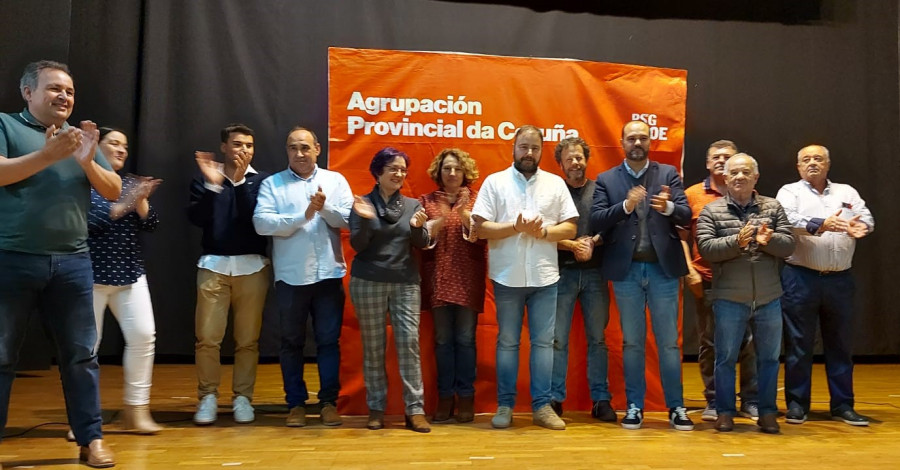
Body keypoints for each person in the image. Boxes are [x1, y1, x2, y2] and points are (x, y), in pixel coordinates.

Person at [0, 60, 121, 467]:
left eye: (69, 91)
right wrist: (49, 155)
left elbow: (115, 189)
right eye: (54, 89)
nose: (64, 97)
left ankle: (92, 440)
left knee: (82, 356)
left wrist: (87, 159)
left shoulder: (78, 139)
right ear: (28, 92)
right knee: (0, 356)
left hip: (72, 263)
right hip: (11, 259)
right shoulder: (5, 125)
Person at [471, 125, 578, 431]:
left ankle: (542, 407)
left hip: (545, 278)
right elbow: (480, 228)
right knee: (507, 343)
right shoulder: (495, 182)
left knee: (544, 344)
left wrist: (543, 232)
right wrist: (515, 228)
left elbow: (570, 228)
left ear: (541, 151)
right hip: (507, 278)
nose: (528, 153)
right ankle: (505, 405)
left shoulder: (555, 184)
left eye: (534, 148)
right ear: (513, 148)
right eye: (523, 147)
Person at [589, 120, 693, 431]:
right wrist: (625, 205)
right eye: (631, 138)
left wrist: (669, 207)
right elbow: (596, 221)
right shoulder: (607, 179)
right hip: (626, 271)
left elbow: (687, 215)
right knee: (632, 343)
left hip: (663, 270)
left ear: (650, 142)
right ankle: (635, 406)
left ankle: (676, 407)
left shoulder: (667, 174)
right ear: (622, 142)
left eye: (643, 138)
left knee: (669, 344)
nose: (637, 142)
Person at [253, 127, 352, 427]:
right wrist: (303, 216)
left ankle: (328, 403)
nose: (299, 153)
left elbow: (350, 220)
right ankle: (295, 404)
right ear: (287, 151)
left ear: (318, 149)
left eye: (305, 147)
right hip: (291, 278)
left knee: (328, 342)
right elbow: (261, 223)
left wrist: (325, 209)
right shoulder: (273, 184)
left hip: (328, 275)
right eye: (293, 148)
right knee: (291, 342)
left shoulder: (334, 181)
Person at [696, 153, 795, 434]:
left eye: (745, 172)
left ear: (756, 178)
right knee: (725, 358)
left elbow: (788, 245)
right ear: (725, 178)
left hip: (769, 297)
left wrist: (769, 240)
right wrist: (736, 242)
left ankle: (767, 413)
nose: (740, 177)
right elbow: (706, 249)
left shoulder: (772, 207)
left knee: (769, 358)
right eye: (734, 173)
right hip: (729, 298)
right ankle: (725, 412)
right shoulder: (711, 211)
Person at [776, 144, 874, 426]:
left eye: (818, 158)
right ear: (798, 167)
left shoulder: (847, 192)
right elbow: (786, 219)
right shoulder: (790, 192)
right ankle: (797, 404)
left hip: (840, 280)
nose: (812, 163)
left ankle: (843, 405)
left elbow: (866, 218)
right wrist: (821, 224)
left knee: (840, 345)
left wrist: (861, 228)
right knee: (798, 345)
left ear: (828, 164)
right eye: (806, 159)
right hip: (801, 277)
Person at [187, 124, 270, 425]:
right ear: (224, 147)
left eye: (249, 145)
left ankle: (243, 398)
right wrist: (213, 186)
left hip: (252, 267)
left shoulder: (262, 182)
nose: (243, 150)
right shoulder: (206, 178)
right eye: (237, 144)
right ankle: (208, 396)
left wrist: (237, 183)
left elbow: (256, 221)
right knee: (207, 338)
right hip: (214, 266)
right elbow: (196, 218)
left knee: (248, 340)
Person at [349, 147, 432, 433]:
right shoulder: (361, 203)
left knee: (408, 345)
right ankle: (376, 409)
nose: (399, 174)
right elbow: (358, 245)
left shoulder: (412, 205)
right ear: (378, 172)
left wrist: (420, 228)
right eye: (393, 169)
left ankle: (415, 410)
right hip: (368, 281)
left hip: (405, 283)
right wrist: (368, 218)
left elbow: (421, 243)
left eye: (402, 169)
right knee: (373, 348)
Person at [88, 127, 163, 434]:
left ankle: (135, 412)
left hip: (130, 274)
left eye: (125, 145)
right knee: (86, 348)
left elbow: (153, 224)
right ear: (96, 147)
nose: (121, 149)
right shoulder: (83, 179)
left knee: (144, 336)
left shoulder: (130, 182)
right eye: (114, 143)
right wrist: (127, 203)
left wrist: (140, 200)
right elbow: (91, 221)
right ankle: (84, 419)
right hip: (89, 277)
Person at [683, 140, 758, 422]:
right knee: (710, 343)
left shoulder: (750, 193)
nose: (721, 160)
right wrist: (689, 270)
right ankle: (714, 399)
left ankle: (750, 399)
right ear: (707, 162)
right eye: (716, 156)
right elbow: (679, 237)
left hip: (743, 280)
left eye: (727, 157)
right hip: (706, 278)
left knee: (748, 342)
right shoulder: (692, 194)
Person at [548, 137, 615, 422]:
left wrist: (593, 243)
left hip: (596, 273)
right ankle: (554, 400)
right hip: (560, 273)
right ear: (560, 163)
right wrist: (572, 246)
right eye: (569, 158)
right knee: (557, 340)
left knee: (598, 340)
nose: (575, 162)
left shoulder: (600, 190)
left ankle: (601, 400)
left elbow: (612, 225)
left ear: (586, 159)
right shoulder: (551, 191)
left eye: (579, 157)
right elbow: (543, 231)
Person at [418, 148, 487, 424]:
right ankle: (445, 397)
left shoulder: (478, 199)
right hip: (437, 278)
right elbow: (419, 240)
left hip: (467, 278)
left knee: (466, 340)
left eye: (457, 169)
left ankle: (467, 397)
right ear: (439, 172)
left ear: (465, 172)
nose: (452, 173)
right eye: (447, 168)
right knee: (443, 341)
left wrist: (471, 222)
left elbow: (484, 237)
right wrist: (429, 229)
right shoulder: (426, 201)